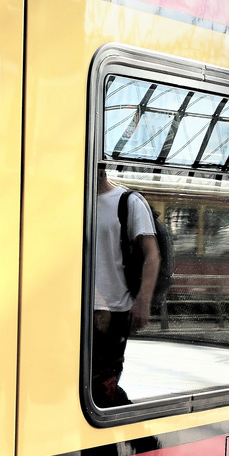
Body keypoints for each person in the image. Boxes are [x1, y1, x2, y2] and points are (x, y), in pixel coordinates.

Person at [91, 166, 159, 407]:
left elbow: (152, 254)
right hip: (82, 309)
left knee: (102, 388)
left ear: (101, 169)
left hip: (117, 310)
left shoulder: (128, 202)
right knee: (86, 386)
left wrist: (142, 302)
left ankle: (140, 435)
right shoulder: (76, 202)